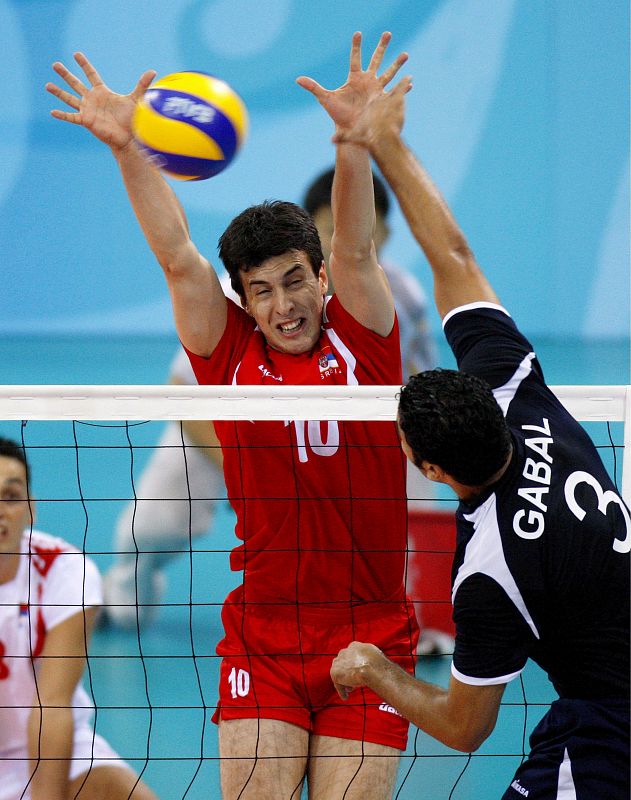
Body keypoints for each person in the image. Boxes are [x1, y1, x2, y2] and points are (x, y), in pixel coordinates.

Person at [47, 32, 420, 799]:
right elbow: (180, 258)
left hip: (371, 632)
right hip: (266, 636)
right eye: (262, 289)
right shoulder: (229, 352)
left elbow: (355, 250)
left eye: (295, 281)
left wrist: (355, 144)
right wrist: (127, 148)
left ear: (319, 277)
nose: (284, 305)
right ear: (244, 299)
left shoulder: (367, 340)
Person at [327, 64, 631, 799]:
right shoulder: (519, 393)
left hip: (609, 725)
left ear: (430, 471)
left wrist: (372, 670)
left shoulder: (488, 571)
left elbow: (464, 727)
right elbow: (455, 256)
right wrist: (385, 143)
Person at [102, 170, 442, 639]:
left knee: (420, 484)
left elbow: (418, 386)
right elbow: (184, 393)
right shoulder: (233, 298)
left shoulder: (393, 297)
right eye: (326, 227)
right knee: (151, 528)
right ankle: (126, 587)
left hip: (344, 438)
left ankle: (409, 613)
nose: (280, 303)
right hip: (225, 432)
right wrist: (254, 469)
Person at [0, 438, 158, 800]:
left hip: (54, 748)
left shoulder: (64, 570)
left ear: (31, 509)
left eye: (10, 497)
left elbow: (53, 705)